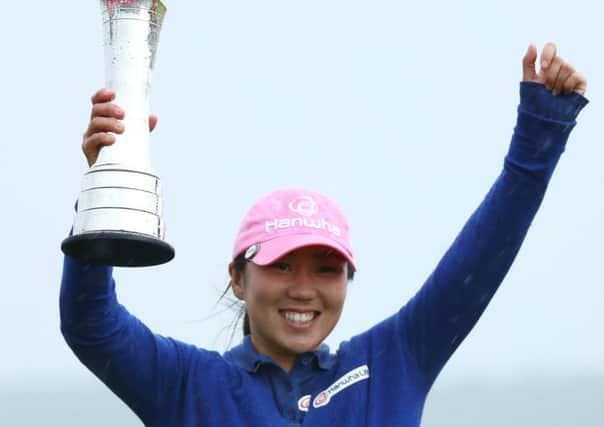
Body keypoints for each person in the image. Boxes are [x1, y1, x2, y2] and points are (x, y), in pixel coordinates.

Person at [61, 43, 588, 426]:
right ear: (239, 279)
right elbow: (91, 325)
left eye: (325, 267)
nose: (304, 287)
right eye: (282, 264)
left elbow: (481, 261)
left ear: (347, 279)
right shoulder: (187, 385)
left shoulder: (394, 361)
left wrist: (539, 132)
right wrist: (106, 178)